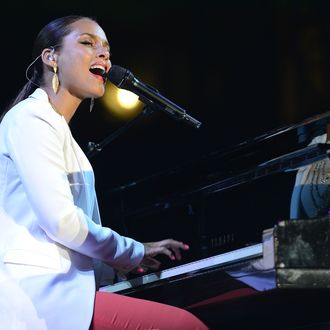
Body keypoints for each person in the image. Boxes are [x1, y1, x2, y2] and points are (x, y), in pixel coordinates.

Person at [0, 15, 209, 330]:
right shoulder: (30, 119)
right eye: (87, 43)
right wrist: (131, 251)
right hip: (39, 299)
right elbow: (61, 223)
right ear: (50, 57)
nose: (104, 55)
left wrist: (117, 265)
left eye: (107, 50)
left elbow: (67, 240)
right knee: (184, 325)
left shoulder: (59, 132)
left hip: (65, 293)